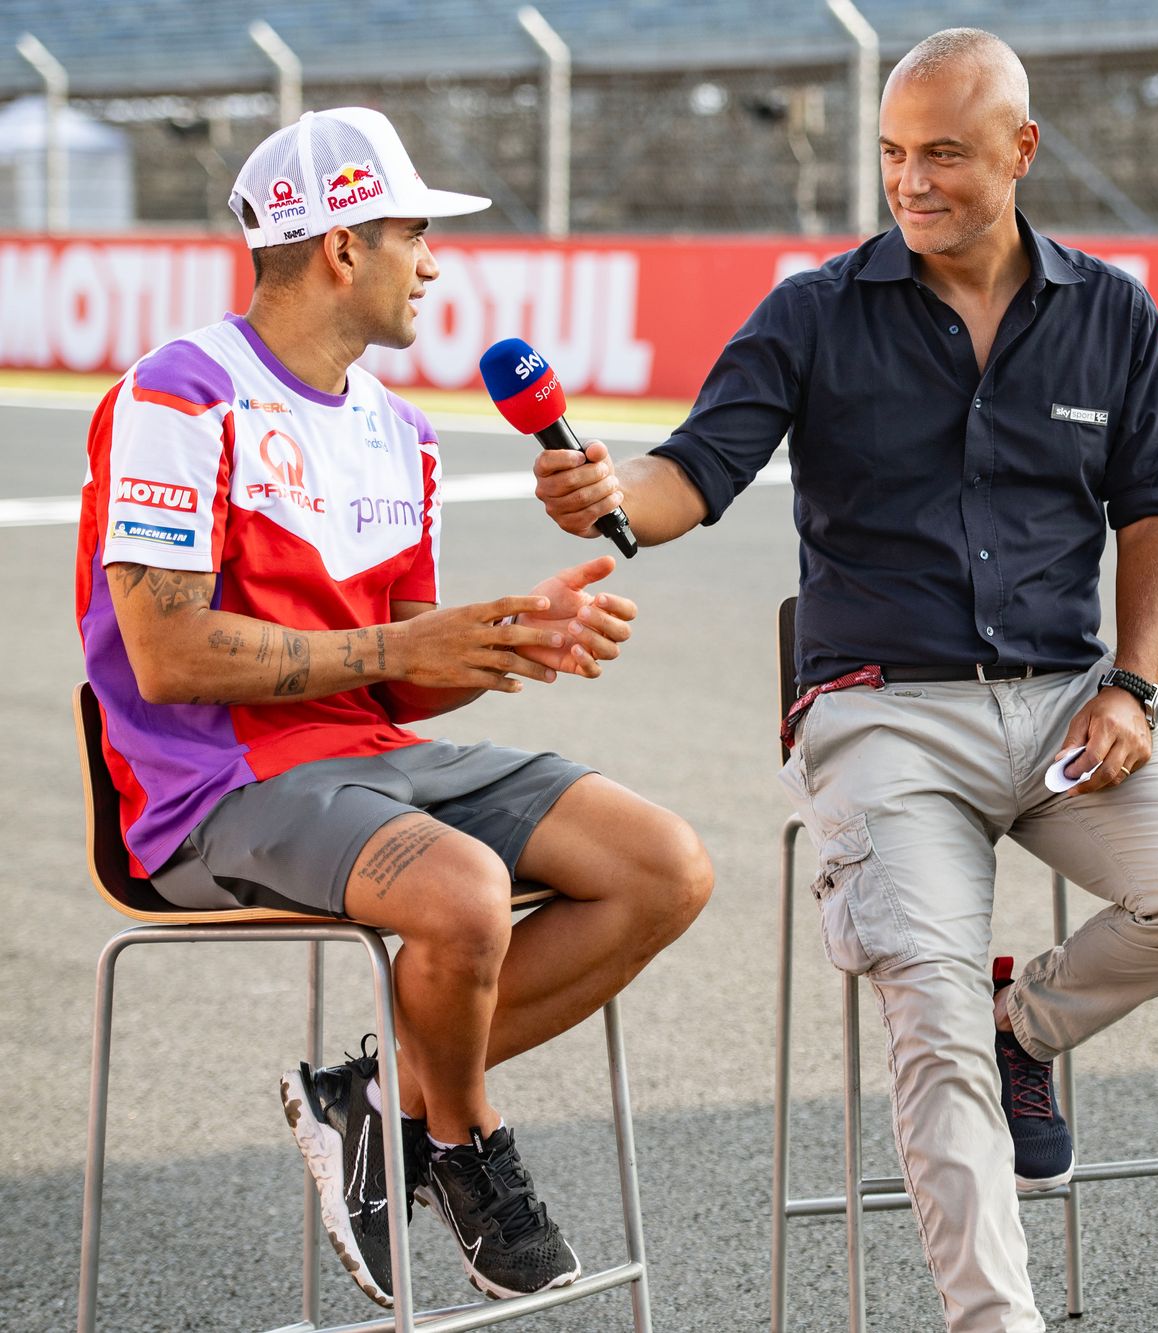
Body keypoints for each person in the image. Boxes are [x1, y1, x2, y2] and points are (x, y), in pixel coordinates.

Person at [535, 29, 1158, 1331]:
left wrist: (1134, 690)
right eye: (892, 153)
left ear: (1020, 151)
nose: (910, 180)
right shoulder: (814, 312)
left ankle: (1025, 1025)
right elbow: (691, 473)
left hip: (1064, 708)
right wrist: (611, 502)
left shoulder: (1111, 313)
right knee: (926, 1022)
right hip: (881, 712)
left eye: (942, 153)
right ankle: (995, 1318)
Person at [75, 107, 713, 1310]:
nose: (432, 261)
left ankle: (375, 1105)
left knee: (662, 866)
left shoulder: (401, 433)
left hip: (362, 761)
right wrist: (401, 642)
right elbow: (163, 653)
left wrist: (504, 641)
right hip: (215, 787)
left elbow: (394, 679)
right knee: (465, 889)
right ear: (340, 245)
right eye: (415, 232)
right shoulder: (177, 397)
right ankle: (467, 1145)